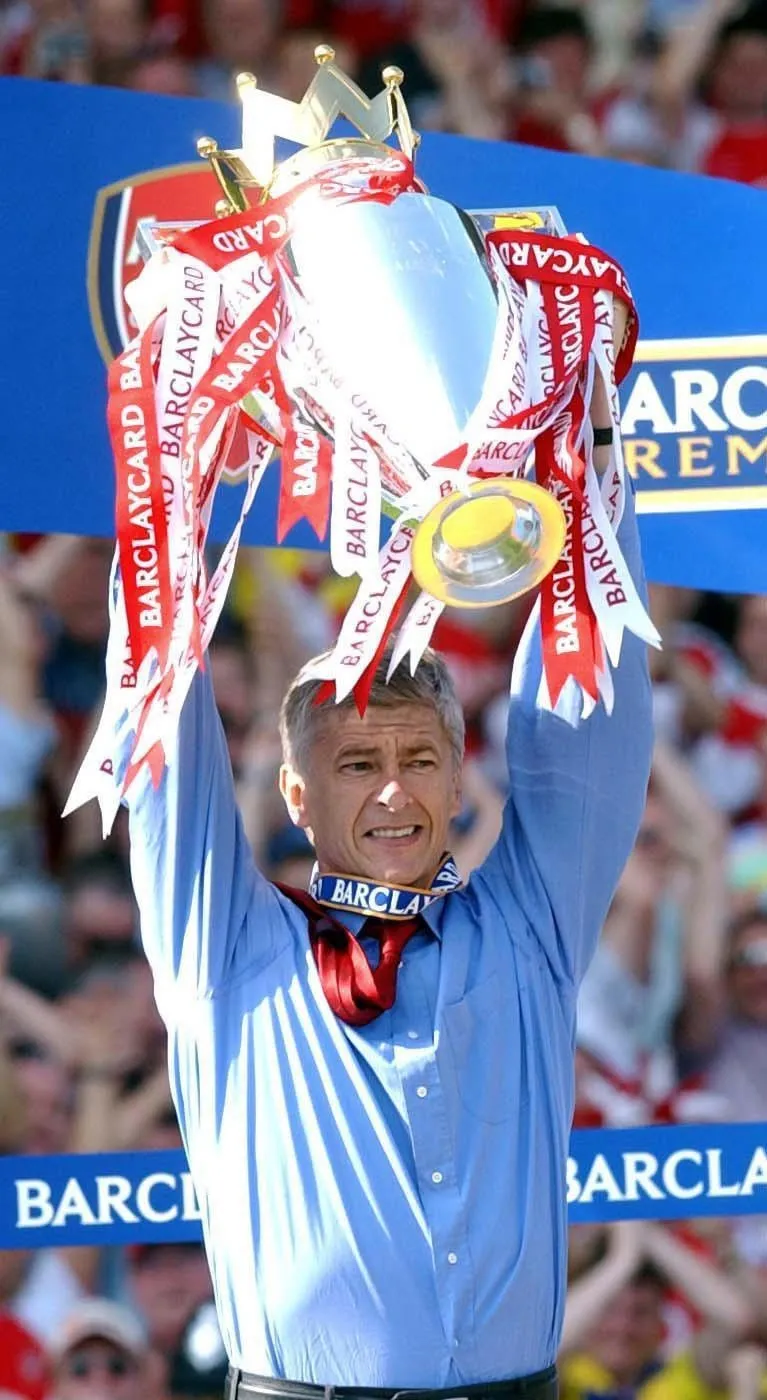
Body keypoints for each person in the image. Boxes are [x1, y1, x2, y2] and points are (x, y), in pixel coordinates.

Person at [118, 418, 653, 1393]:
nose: (394, 793)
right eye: (356, 764)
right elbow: (161, 738)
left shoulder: (527, 928)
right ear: (294, 794)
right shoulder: (226, 947)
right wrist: (171, 474)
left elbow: (591, 717)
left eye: (418, 760)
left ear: (459, 780)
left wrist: (584, 465)